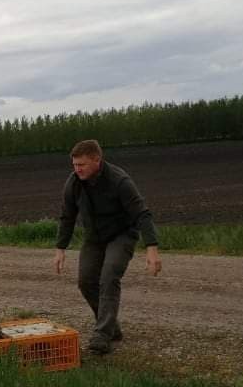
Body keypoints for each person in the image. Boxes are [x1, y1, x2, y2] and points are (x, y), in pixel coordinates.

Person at [53, 139, 162, 354]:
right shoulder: (74, 183)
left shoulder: (119, 181)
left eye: (81, 165)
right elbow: (67, 216)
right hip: (94, 238)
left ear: (97, 160)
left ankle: (102, 334)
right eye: (74, 165)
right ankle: (111, 326)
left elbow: (142, 213)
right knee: (86, 282)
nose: (77, 169)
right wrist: (60, 249)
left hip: (122, 235)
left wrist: (152, 248)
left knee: (109, 276)